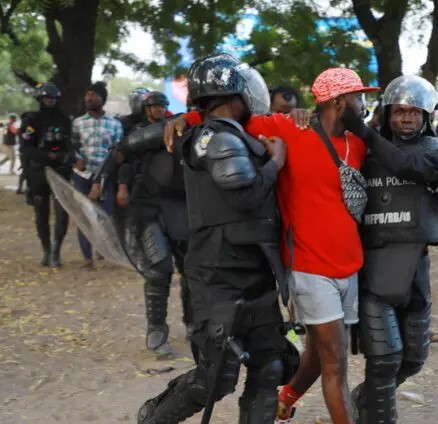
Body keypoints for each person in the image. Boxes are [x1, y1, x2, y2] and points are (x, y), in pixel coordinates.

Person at [163, 67, 379, 424]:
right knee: (336, 363)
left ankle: (287, 397)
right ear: (339, 102)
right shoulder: (287, 129)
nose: (364, 103)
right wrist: (186, 116)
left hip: (349, 265)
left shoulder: (358, 143)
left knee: (320, 350)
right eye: (358, 97)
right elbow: (226, 118)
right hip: (309, 265)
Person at [137, 53, 297, 424]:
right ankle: (153, 418)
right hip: (218, 273)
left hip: (254, 269)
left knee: (270, 366)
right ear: (233, 94)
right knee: (217, 377)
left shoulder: (231, 133)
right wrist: (275, 163)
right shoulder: (215, 136)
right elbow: (243, 194)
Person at [342, 75, 438, 423]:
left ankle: (363, 399)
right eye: (399, 112)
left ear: (427, 116)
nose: (406, 119)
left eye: (414, 112)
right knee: (383, 360)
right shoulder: (361, 151)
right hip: (374, 268)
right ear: (387, 114)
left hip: (415, 267)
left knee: (413, 359)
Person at [113, 91, 193, 358]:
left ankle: (193, 323)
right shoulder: (136, 133)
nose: (159, 109)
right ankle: (156, 329)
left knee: (191, 270)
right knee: (159, 269)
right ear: (146, 109)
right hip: (148, 207)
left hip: (181, 207)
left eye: (162, 105)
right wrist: (122, 187)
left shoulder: (185, 124)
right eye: (155, 106)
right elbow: (123, 155)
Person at [19, 82, 73, 267]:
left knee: (62, 212)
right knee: (41, 213)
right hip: (38, 173)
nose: (49, 101)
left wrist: (65, 157)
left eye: (52, 98)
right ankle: (46, 250)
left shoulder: (65, 120)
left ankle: (57, 250)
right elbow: (26, 149)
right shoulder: (31, 120)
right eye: (46, 98)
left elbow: (70, 146)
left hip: (60, 172)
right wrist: (47, 155)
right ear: (41, 99)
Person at [71, 81, 123, 268]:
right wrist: (76, 159)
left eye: (94, 95)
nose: (89, 98)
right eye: (87, 95)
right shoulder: (77, 123)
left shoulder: (114, 124)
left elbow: (118, 152)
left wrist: (104, 175)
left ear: (103, 99)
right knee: (83, 215)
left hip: (105, 176)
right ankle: (87, 257)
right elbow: (72, 146)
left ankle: (104, 249)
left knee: (105, 216)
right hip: (82, 175)